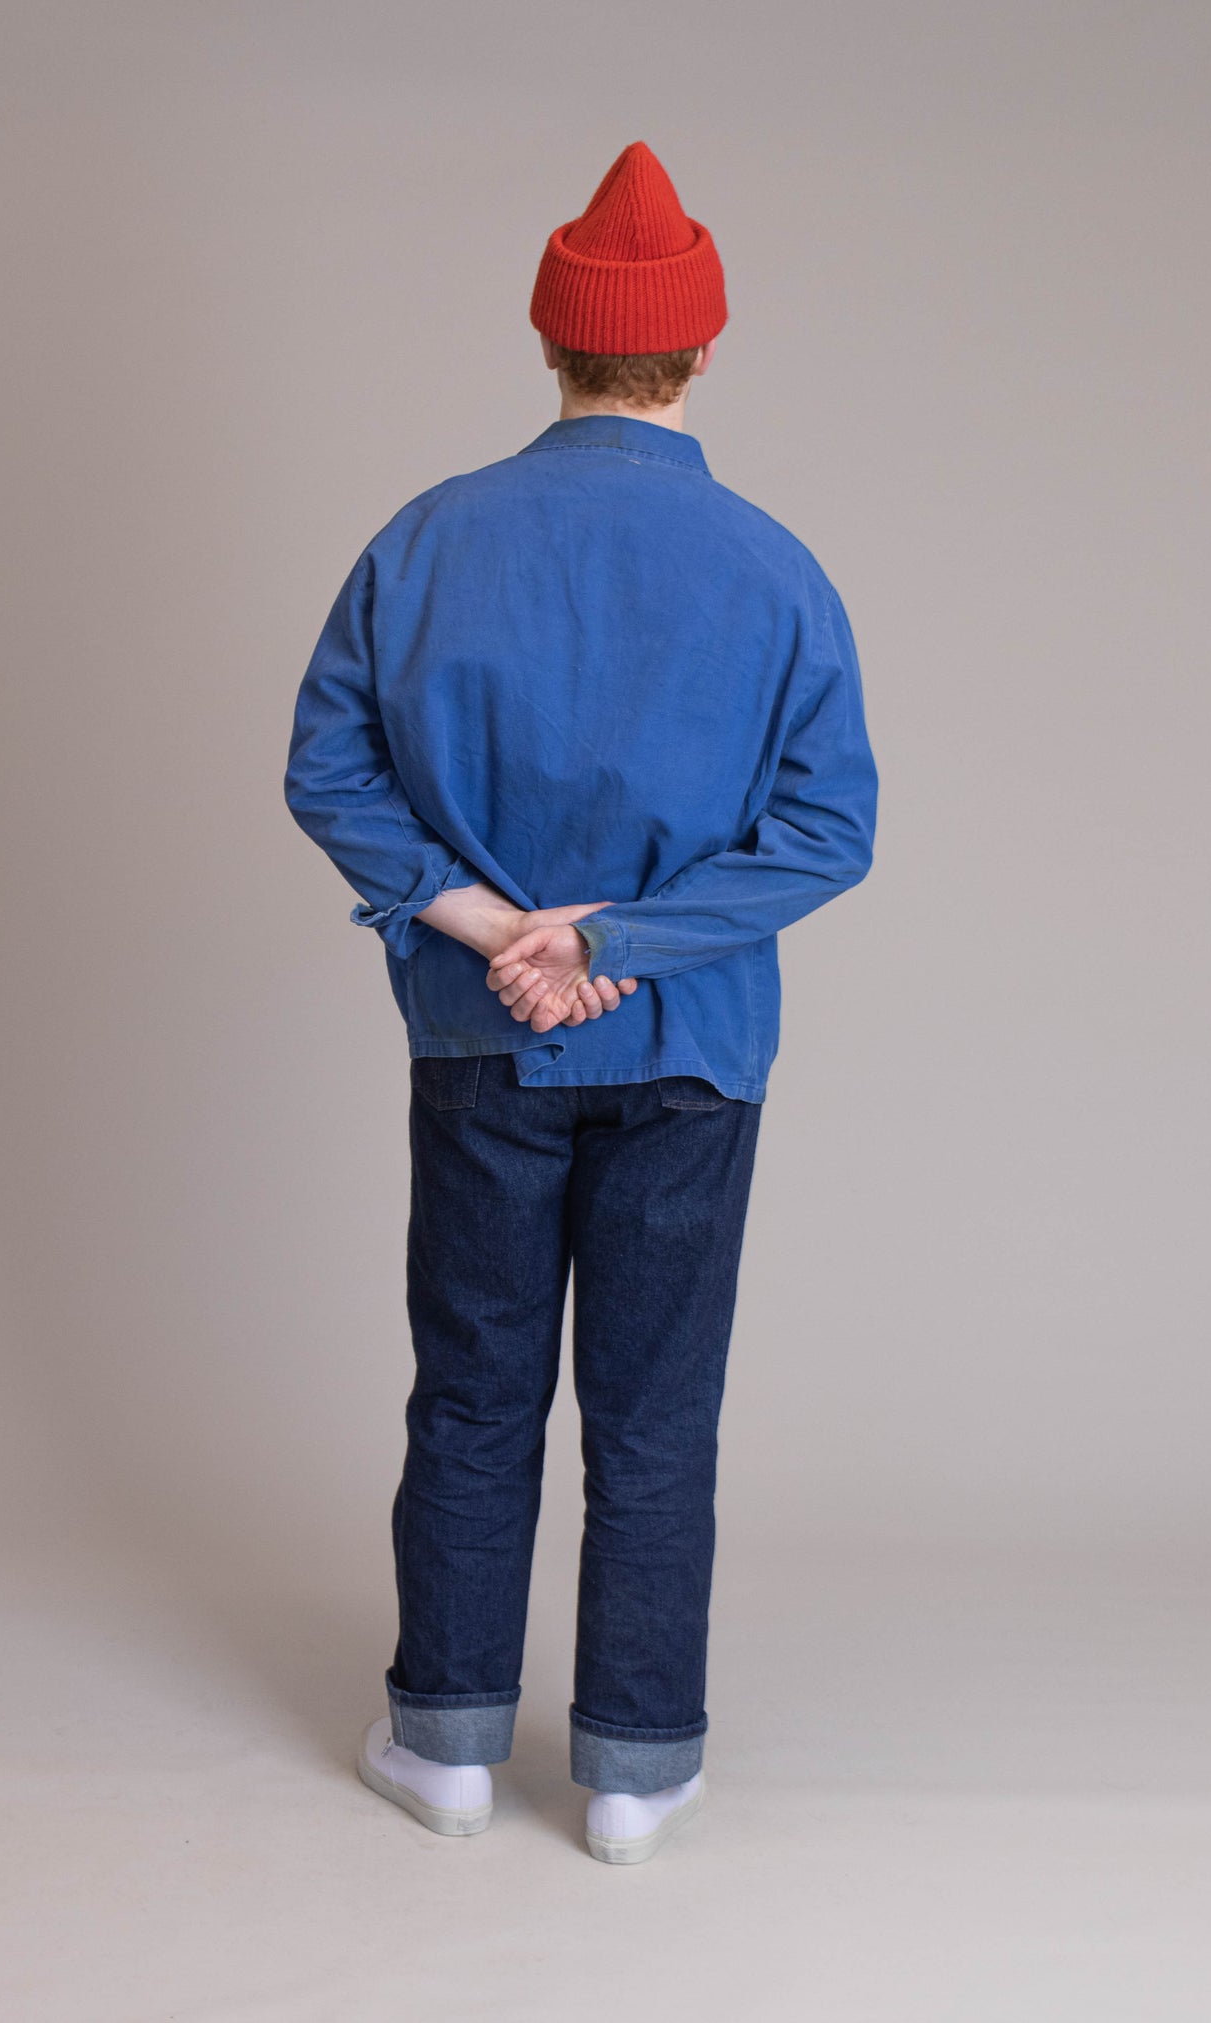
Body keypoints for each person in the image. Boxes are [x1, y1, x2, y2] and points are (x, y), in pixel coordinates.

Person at [284, 140, 878, 1863]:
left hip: (483, 1034)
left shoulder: (424, 540)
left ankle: (447, 1745)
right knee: (656, 1412)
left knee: (472, 1390)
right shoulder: (774, 569)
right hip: (691, 1049)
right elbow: (827, 833)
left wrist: (500, 930)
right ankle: (632, 1770)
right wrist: (622, 939)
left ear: (549, 338)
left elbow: (328, 771)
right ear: (702, 345)